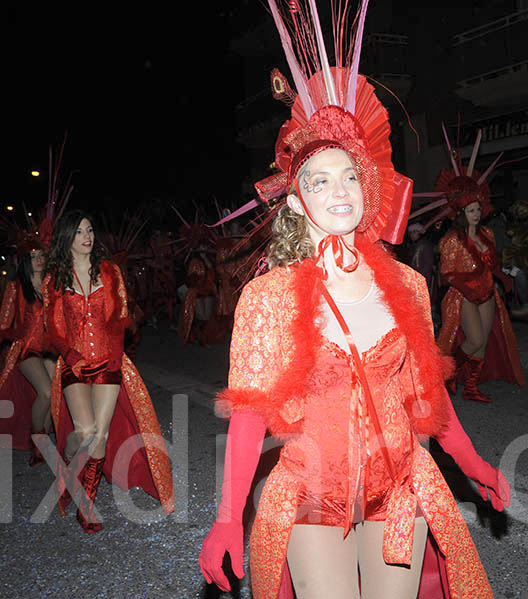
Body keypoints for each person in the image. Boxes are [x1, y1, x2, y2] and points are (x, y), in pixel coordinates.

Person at [199, 7, 509, 596]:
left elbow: (428, 397)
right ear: (295, 203)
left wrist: (473, 466)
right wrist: (225, 519)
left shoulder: (409, 286)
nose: (338, 191)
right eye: (318, 180)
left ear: (367, 189)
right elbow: (247, 418)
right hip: (314, 493)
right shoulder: (267, 299)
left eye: (349, 177)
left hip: (400, 488)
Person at [43, 210, 173, 533]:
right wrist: (71, 355)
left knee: (99, 433)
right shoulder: (55, 279)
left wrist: (115, 356)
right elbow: (53, 329)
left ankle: (86, 504)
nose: (87, 236)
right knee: (84, 433)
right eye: (79, 232)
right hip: (75, 364)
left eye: (90, 230)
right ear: (67, 238)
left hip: (109, 363)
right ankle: (68, 458)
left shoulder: (109, 272)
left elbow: (121, 317)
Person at [434, 163, 525, 402]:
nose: (475, 213)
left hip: (486, 291)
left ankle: (472, 387)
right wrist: (466, 289)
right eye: (471, 210)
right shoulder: (452, 239)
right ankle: (450, 373)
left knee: (482, 341)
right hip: (463, 294)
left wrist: (504, 279)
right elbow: (447, 274)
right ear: (461, 213)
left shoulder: (488, 234)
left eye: (477, 209)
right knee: (474, 339)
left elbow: (492, 264)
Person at [0, 241, 55, 466]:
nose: (39, 260)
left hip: (52, 347)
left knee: (54, 395)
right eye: (34, 256)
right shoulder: (15, 287)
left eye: (42, 255)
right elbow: (2, 325)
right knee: (45, 391)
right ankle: (38, 441)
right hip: (26, 348)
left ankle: (43, 436)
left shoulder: (53, 283)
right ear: (25, 260)